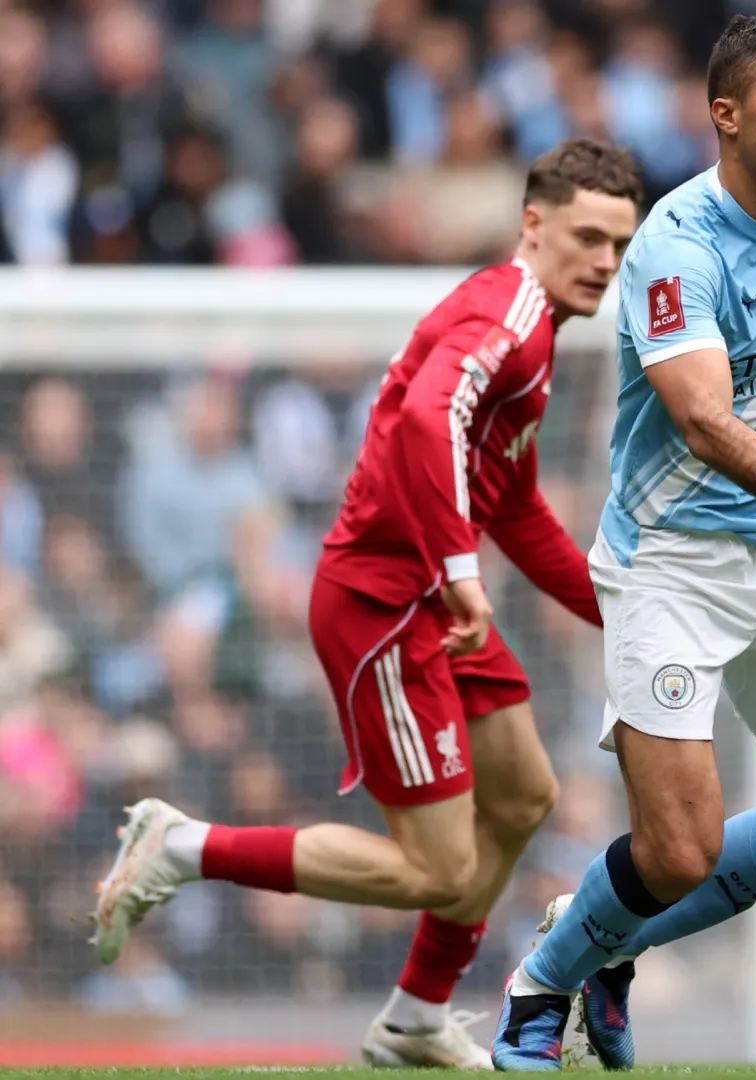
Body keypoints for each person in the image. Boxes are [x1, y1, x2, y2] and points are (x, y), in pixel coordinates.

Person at [90, 138, 643, 1069]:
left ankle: (415, 1017)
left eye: (619, 245)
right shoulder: (508, 314)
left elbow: (514, 508)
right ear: (533, 225)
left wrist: (621, 611)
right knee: (438, 866)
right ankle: (182, 846)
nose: (604, 261)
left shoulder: (534, 333)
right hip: (385, 605)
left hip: (433, 600)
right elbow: (430, 416)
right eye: (587, 237)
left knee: (524, 795)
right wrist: (460, 571)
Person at [489, 15, 756, 1072]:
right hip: (673, 560)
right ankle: (542, 983)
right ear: (725, 115)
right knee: (676, 849)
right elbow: (702, 419)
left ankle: (609, 942)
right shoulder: (675, 246)